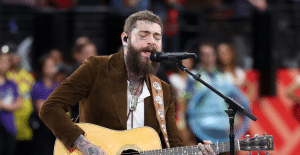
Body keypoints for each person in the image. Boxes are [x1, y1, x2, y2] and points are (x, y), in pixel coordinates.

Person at [40, 10, 216, 155]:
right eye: (144, 35)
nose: (151, 42)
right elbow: (50, 108)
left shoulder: (163, 90)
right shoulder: (97, 68)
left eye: (157, 37)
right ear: (125, 39)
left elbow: (172, 146)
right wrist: (85, 145)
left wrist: (195, 153)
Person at [185, 42, 251, 149]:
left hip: (223, 123)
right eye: (204, 54)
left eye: (210, 54)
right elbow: (186, 100)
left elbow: (235, 99)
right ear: (200, 56)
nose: (208, 58)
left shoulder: (224, 75)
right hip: (201, 124)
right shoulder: (193, 76)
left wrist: (238, 118)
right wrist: (185, 123)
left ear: (215, 56)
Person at [31, 54, 59, 155]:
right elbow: (42, 112)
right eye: (48, 66)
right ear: (42, 68)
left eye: (53, 65)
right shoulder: (37, 86)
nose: (52, 68)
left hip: (58, 129)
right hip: (44, 130)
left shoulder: (58, 86)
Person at [0, 52, 22, 155]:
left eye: (7, 61)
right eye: (2, 61)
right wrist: (10, 106)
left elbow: (19, 104)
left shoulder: (12, 83)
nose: (4, 64)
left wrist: (4, 105)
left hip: (9, 126)